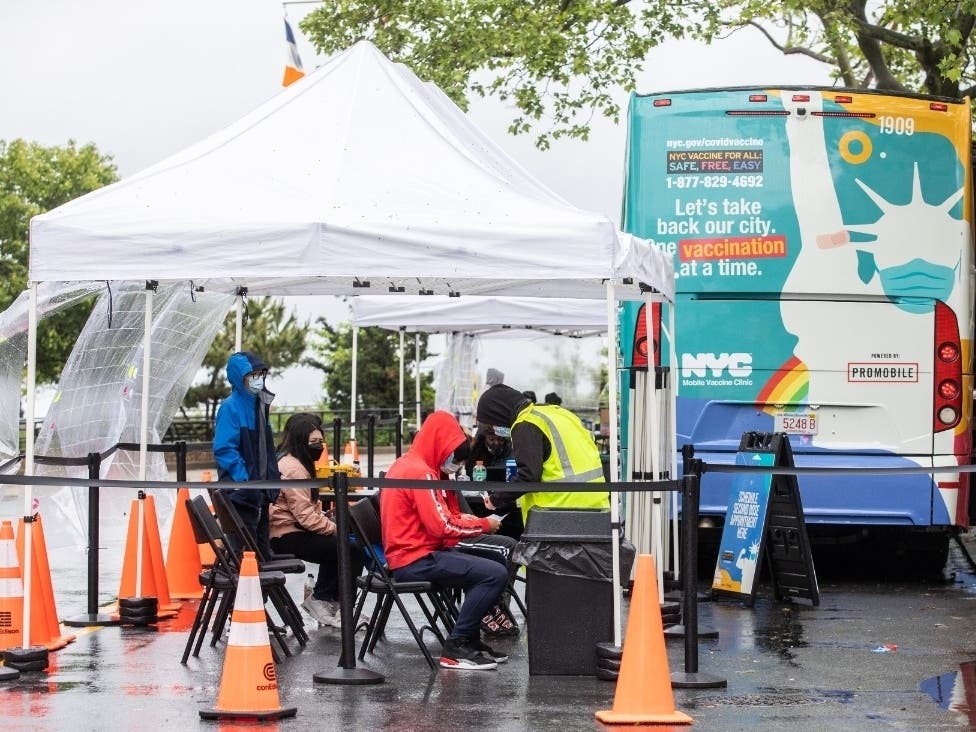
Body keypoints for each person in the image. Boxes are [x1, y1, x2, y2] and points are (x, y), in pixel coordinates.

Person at [381, 410, 513, 670]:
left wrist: (467, 521)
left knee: (495, 560)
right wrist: (484, 523)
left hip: (413, 553)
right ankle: (457, 645)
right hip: (415, 558)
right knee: (494, 573)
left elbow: (440, 519)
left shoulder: (412, 465)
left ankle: (470, 639)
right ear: (441, 444)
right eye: (455, 456)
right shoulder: (422, 473)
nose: (455, 463)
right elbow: (442, 526)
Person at [269, 412, 364, 629]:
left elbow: (306, 514)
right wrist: (334, 528)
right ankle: (330, 603)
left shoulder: (292, 461)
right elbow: (306, 518)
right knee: (351, 548)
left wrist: (329, 524)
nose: (319, 446)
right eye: (313, 442)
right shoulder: (293, 468)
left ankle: (331, 603)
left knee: (343, 544)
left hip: (289, 530)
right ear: (300, 441)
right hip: (286, 535)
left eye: (321, 441)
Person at [475, 384, 609, 523]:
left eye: (492, 425)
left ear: (498, 413)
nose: (495, 430)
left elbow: (528, 476)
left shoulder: (526, 424)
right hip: (596, 506)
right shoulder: (560, 414)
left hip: (559, 512)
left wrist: (496, 499)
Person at [213, 351, 280, 560]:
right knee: (246, 560)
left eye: (261, 374)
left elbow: (266, 450)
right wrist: (246, 482)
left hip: (260, 494)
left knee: (262, 557)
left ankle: (261, 593)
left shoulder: (259, 406)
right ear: (238, 377)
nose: (258, 379)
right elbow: (224, 449)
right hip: (241, 495)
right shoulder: (230, 408)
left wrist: (270, 482)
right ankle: (245, 594)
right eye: (253, 375)